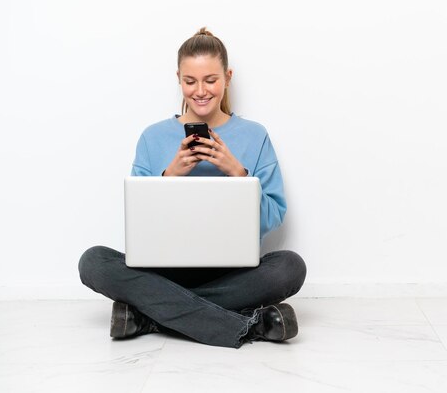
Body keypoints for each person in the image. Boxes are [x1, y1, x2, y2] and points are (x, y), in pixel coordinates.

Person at [78, 28, 307, 349]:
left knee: (289, 267)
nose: (200, 91)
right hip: (165, 272)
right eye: (190, 81)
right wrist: (169, 176)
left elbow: (272, 219)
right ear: (178, 78)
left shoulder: (255, 136)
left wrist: (237, 173)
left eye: (210, 80)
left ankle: (148, 315)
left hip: (233, 273)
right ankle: (248, 326)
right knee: (93, 261)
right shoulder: (152, 137)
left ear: (227, 77)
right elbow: (139, 224)